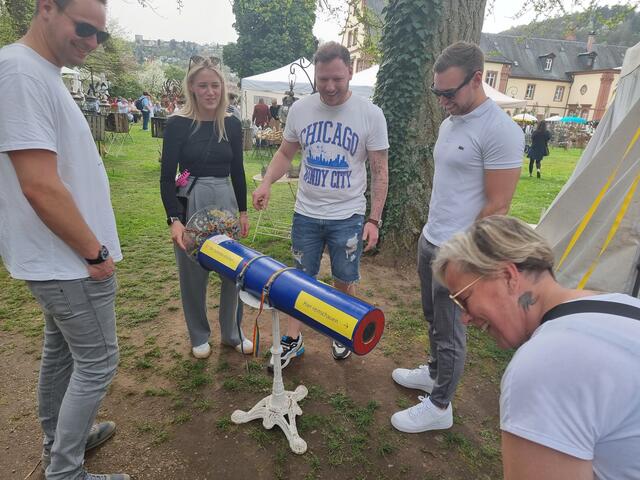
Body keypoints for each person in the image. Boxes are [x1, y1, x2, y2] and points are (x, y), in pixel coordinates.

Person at [0, 1, 127, 479]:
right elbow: (39, 185)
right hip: (70, 260)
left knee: (63, 354)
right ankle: (65, 471)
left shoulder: (38, 70)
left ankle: (60, 443)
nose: (92, 42)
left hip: (62, 260)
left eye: (101, 35)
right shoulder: (20, 72)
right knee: (98, 362)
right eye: (84, 27)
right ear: (46, 8)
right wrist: (94, 253)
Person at [432, 215, 640, 480]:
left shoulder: (545, 367)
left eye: (464, 299)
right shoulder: (621, 305)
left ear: (508, 276)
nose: (465, 317)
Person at [390, 41, 524, 433]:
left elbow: (498, 205)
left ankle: (440, 405)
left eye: (449, 93)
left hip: (461, 252)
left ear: (477, 79)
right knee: (433, 318)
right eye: (437, 92)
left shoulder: (500, 131)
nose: (442, 101)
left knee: (451, 330)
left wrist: (465, 257)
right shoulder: (450, 122)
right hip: (431, 239)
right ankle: (435, 374)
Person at [252, 41, 389, 369]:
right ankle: (293, 339)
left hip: (348, 215)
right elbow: (285, 153)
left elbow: (380, 169)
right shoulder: (301, 109)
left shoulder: (370, 114)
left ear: (350, 73)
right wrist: (266, 182)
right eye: (323, 79)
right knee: (300, 279)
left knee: (344, 278)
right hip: (306, 212)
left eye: (337, 79)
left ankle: (342, 330)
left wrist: (374, 219)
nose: (329, 86)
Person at [160, 55, 252, 360]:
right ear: (192, 88)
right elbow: (167, 176)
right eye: (203, 86)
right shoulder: (177, 124)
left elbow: (237, 170)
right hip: (192, 198)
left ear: (223, 87)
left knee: (233, 270)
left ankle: (232, 332)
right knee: (192, 272)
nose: (210, 92)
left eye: (215, 85)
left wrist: (243, 211)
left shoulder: (232, 123)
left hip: (225, 197)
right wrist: (174, 218)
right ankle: (199, 335)